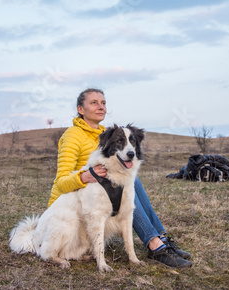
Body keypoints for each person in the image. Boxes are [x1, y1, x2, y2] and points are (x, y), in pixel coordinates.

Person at [48, 88, 192, 268]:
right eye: (94, 103)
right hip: (71, 206)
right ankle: (155, 245)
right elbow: (61, 182)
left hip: (100, 198)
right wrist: (83, 176)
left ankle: (160, 238)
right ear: (81, 109)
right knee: (121, 185)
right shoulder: (72, 136)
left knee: (130, 179)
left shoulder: (107, 133)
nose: (101, 107)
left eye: (103, 103)